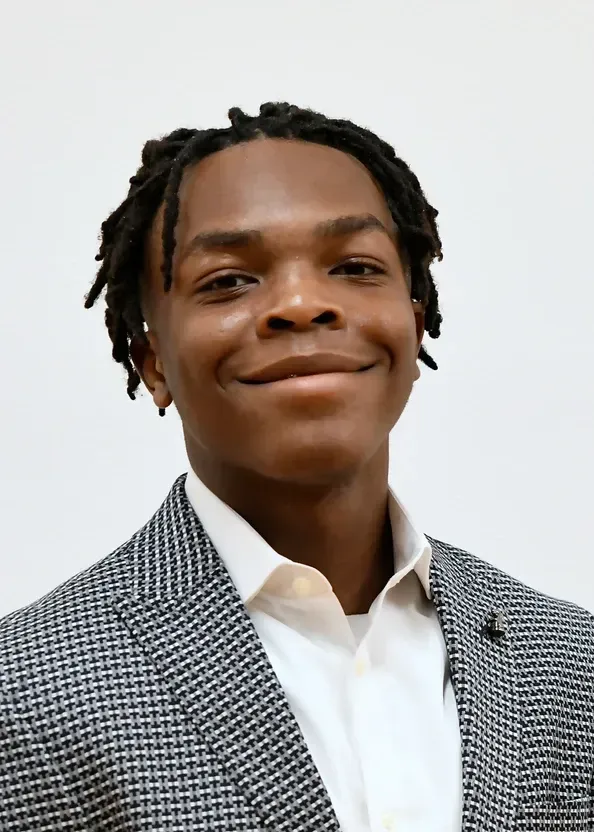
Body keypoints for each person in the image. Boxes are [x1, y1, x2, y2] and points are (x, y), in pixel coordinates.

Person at [0, 103, 592, 832]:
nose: (303, 304)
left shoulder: (569, 663)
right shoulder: (27, 692)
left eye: (355, 267)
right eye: (227, 281)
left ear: (414, 320)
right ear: (151, 363)